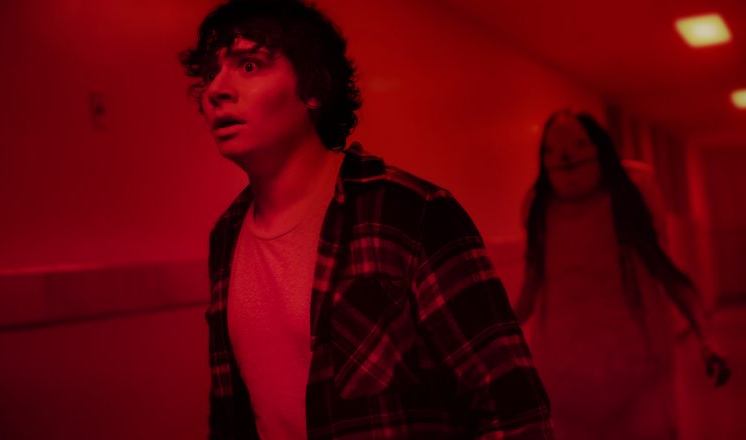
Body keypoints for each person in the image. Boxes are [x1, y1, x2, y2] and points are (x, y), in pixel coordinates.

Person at [179, 1, 553, 438]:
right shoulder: (226, 237)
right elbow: (231, 414)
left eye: (249, 65)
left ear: (314, 87)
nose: (216, 90)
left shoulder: (411, 213)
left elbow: (513, 408)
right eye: (211, 72)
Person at [516, 110, 730, 440]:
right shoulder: (540, 210)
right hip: (564, 377)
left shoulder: (628, 200)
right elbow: (530, 290)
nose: (566, 157)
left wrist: (706, 338)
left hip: (637, 371)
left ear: (599, 150)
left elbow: (669, 276)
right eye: (553, 150)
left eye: (579, 144)